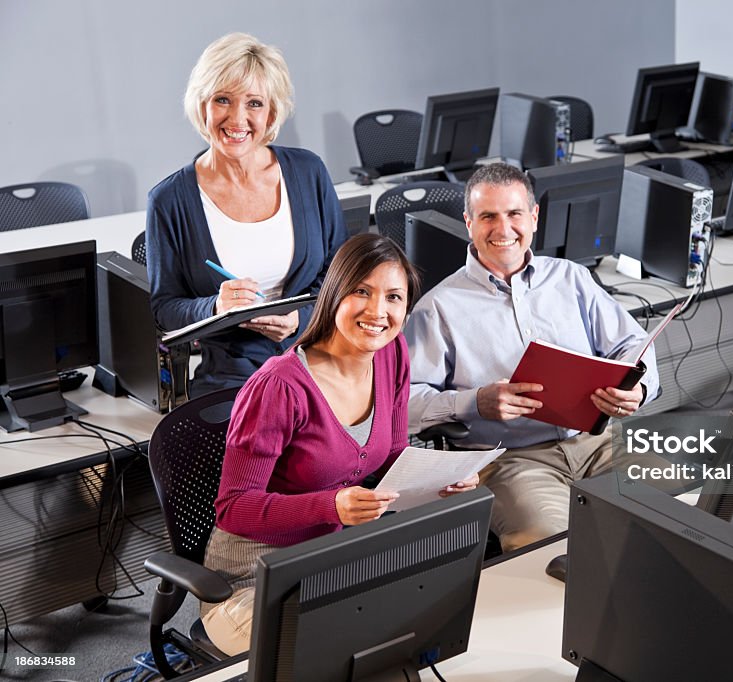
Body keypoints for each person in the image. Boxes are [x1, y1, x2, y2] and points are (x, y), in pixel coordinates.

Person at [200, 234, 478, 655]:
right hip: (251, 578)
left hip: (331, 561)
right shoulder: (280, 386)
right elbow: (233, 507)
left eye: (393, 297)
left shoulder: (391, 353)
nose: (377, 312)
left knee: (422, 619)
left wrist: (442, 477)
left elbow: (391, 456)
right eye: (361, 292)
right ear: (334, 294)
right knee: (339, 648)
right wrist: (330, 506)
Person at [406, 163, 660, 552]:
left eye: (514, 214)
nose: (503, 229)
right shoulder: (437, 307)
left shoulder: (571, 278)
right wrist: (474, 402)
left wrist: (637, 388)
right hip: (511, 461)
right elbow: (404, 405)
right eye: (488, 216)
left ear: (534, 217)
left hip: (598, 442)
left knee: (678, 509)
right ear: (469, 223)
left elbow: (634, 344)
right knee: (547, 545)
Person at [147, 33, 347, 396]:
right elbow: (166, 309)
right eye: (222, 100)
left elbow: (344, 274)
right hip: (231, 378)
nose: (237, 118)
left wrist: (299, 319)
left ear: (271, 112)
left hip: (318, 358)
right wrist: (217, 306)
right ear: (202, 105)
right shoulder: (169, 200)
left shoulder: (308, 172)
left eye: (254, 103)